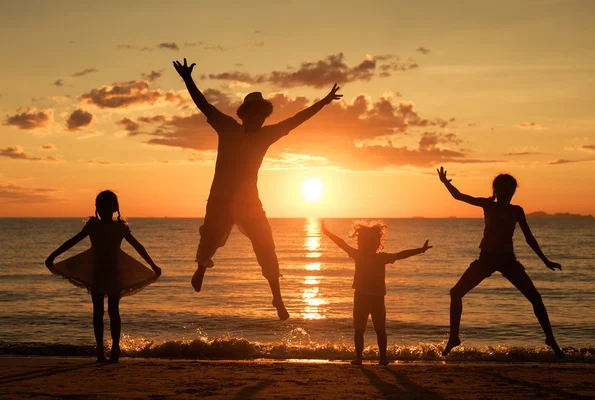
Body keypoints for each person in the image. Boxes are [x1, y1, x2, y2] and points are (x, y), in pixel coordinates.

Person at [173, 58, 343, 320]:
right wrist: (187, 79)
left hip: (250, 202)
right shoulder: (227, 127)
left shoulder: (267, 135)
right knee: (210, 236)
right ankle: (201, 269)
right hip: (220, 198)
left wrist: (324, 101)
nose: (261, 120)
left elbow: (298, 119)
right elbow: (203, 105)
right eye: (257, 115)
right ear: (246, 115)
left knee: (266, 245)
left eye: (264, 116)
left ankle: (277, 297)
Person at [437, 166, 564, 357]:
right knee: (456, 293)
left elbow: (529, 238)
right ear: (496, 191)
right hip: (486, 259)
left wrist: (545, 260)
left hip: (507, 260)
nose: (509, 194)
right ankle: (454, 338)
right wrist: (446, 183)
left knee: (535, 298)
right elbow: (459, 196)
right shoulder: (489, 205)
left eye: (512, 191)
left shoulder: (516, 211)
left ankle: (550, 339)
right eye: (505, 191)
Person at [45, 190, 161, 363]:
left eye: (107, 206)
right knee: (98, 312)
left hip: (114, 272)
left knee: (113, 311)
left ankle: (115, 349)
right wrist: (53, 256)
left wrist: (153, 265)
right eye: (100, 206)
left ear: (115, 208)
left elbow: (138, 246)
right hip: (97, 272)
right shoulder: (93, 226)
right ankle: (100, 351)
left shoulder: (120, 227)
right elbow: (72, 241)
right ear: (97, 208)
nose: (103, 209)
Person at [322, 220, 432, 365]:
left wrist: (420, 250)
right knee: (361, 329)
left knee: (378, 329)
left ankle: (381, 358)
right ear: (361, 243)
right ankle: (363, 358)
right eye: (364, 242)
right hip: (363, 297)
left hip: (375, 298)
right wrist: (327, 232)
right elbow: (341, 243)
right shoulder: (363, 255)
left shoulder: (379, 257)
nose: (365, 245)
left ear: (375, 244)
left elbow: (402, 254)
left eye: (369, 242)